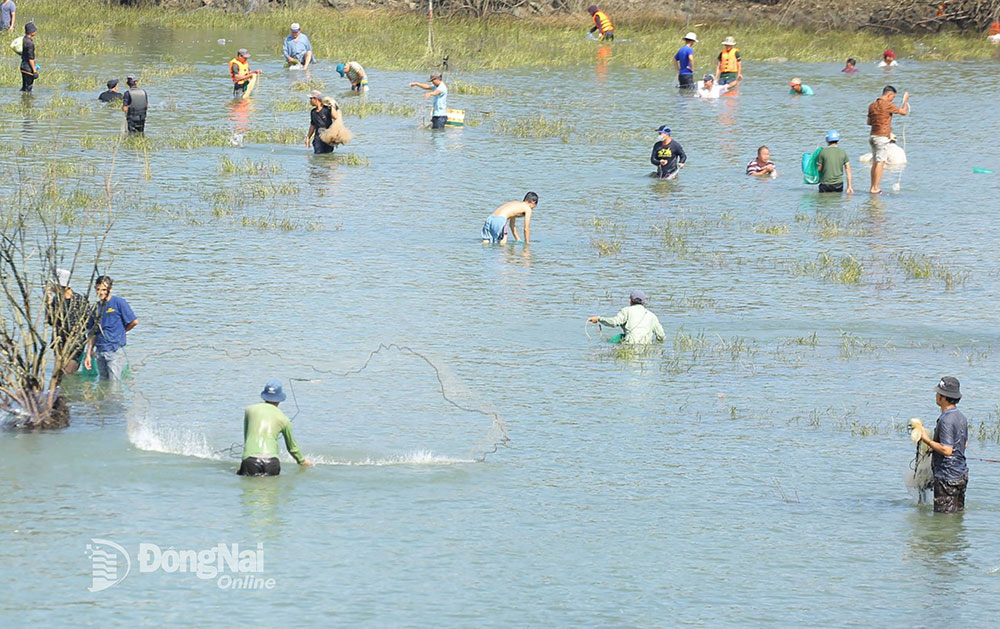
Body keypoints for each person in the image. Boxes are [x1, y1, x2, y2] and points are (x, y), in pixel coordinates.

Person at [238, 380, 313, 476]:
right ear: (279, 399)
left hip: (250, 461)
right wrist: (302, 461)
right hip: (272, 462)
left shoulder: (249, 410)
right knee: (270, 490)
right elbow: (292, 447)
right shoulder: (284, 419)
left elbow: (247, 436)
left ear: (264, 395)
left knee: (251, 489)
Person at [918, 377, 969, 513]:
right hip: (960, 475)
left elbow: (947, 450)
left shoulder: (946, 419)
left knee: (944, 518)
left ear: (943, 397)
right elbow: (964, 444)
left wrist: (926, 440)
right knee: (956, 514)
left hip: (946, 479)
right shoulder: (961, 417)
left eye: (938, 393)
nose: (936, 395)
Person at [84, 275, 137, 382]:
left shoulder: (118, 302)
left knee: (114, 384)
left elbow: (134, 321)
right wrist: (88, 354)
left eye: (104, 290)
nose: (101, 293)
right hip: (99, 351)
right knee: (103, 382)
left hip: (114, 350)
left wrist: (123, 331)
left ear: (110, 289)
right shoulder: (95, 307)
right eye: (98, 290)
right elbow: (92, 333)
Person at [46, 268, 92, 375]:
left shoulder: (80, 301)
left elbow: (88, 322)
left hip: (75, 345)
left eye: (53, 285)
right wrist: (48, 303)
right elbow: (50, 321)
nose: (51, 287)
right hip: (59, 344)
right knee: (57, 375)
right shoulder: (56, 301)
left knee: (67, 375)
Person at [867, 85, 909, 193]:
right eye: (893, 97)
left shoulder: (872, 105)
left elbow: (868, 122)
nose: (892, 99)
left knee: (875, 162)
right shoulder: (887, 104)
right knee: (880, 162)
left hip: (873, 136)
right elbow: (904, 112)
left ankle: (873, 186)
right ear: (889, 95)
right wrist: (905, 101)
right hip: (882, 137)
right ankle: (875, 188)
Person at [587, 290, 665, 345]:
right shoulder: (652, 316)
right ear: (644, 302)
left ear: (630, 301)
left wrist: (599, 319)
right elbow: (661, 336)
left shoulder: (626, 311)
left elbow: (614, 322)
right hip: (646, 348)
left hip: (629, 346)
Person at [815, 130, 853, 194]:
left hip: (825, 185)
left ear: (827, 140)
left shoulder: (822, 152)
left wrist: (816, 154)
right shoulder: (843, 152)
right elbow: (848, 170)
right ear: (838, 139)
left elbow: (819, 169)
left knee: (823, 202)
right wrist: (849, 186)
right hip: (838, 185)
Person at [19, 21, 36, 93]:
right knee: (28, 89)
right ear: (31, 32)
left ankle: (23, 101)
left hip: (23, 66)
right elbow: (30, 59)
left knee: (24, 88)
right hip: (28, 68)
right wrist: (34, 71)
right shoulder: (30, 43)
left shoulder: (24, 39)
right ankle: (27, 103)